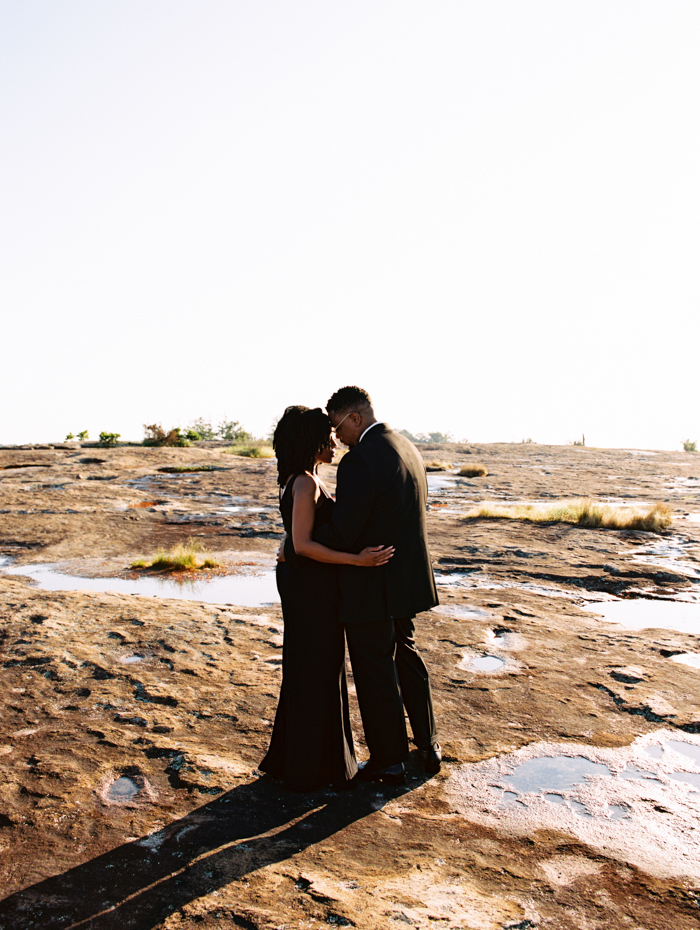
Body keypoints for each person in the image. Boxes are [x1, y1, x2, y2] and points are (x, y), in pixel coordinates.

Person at [310, 386, 441, 785]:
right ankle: (428, 744)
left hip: (372, 578)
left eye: (336, 427)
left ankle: (389, 761)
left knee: (374, 668)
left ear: (355, 418)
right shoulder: (406, 446)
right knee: (407, 657)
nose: (335, 438)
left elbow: (347, 531)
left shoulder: (360, 461)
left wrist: (306, 538)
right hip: (407, 578)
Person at [259, 405, 394, 792]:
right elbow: (303, 545)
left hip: (305, 583)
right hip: (310, 587)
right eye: (328, 436)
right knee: (317, 669)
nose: (335, 441)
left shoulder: (296, 478)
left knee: (309, 668)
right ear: (313, 442)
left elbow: (296, 538)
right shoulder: (305, 483)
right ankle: (313, 769)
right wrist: (357, 560)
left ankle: (303, 762)